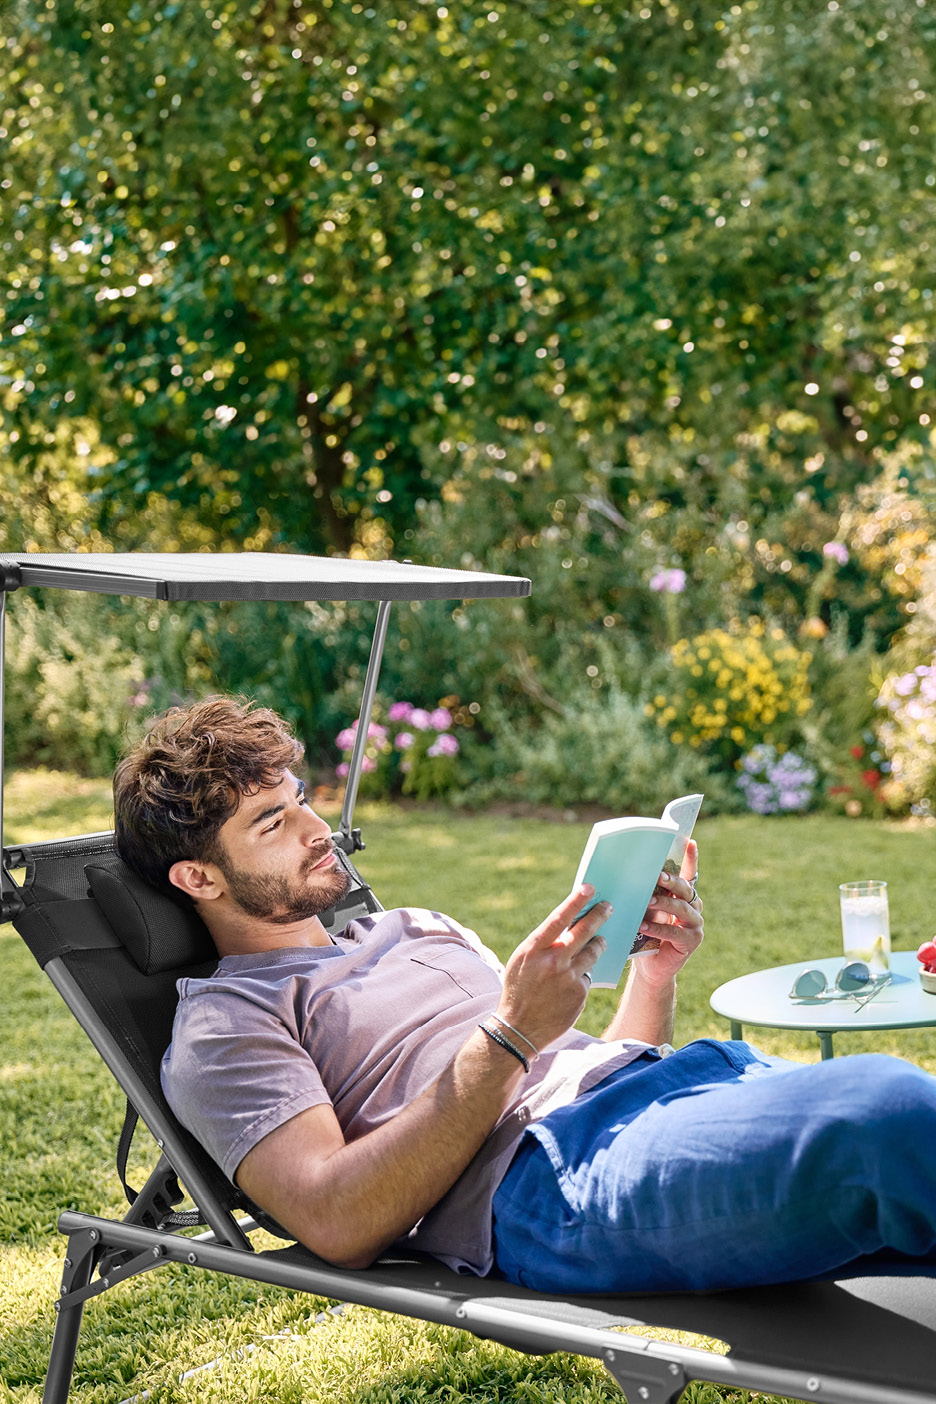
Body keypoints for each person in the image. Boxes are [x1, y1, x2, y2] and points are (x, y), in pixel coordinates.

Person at [114, 696, 936, 1294]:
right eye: (271, 823)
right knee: (886, 1110)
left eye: (301, 802)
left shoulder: (413, 926)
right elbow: (336, 1219)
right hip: (553, 1178)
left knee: (901, 1133)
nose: (316, 828)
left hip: (669, 1089)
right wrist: (509, 1031)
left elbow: (571, 1059)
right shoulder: (226, 1023)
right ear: (198, 876)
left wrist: (651, 977)